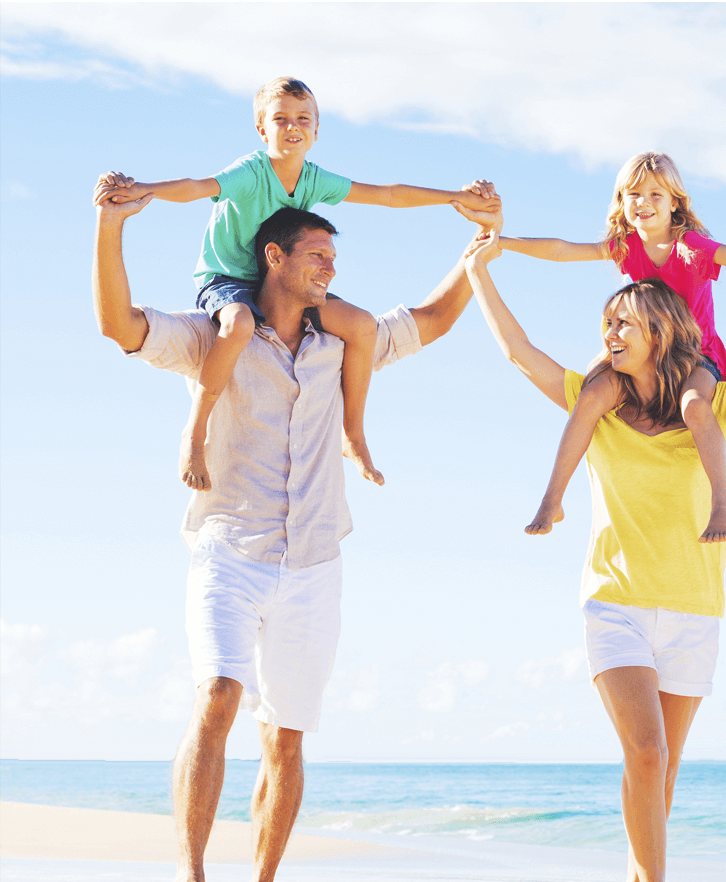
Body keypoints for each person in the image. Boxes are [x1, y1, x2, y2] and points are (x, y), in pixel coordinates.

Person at [92, 186, 493, 882]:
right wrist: (110, 229)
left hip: (313, 564)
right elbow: (119, 325)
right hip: (228, 550)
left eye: (333, 257)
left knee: (284, 739)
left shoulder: (342, 344)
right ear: (273, 257)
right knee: (217, 696)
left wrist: (479, 248)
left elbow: (432, 319)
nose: (329, 268)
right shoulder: (213, 335)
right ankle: (190, 874)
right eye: (316, 255)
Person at [462, 214, 726, 882]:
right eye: (605, 325)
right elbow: (521, 353)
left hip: (695, 611)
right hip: (616, 607)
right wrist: (478, 273)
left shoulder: (718, 408)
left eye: (620, 327)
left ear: (659, 336)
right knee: (643, 754)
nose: (606, 337)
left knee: (661, 770)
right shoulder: (599, 407)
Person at [95, 76, 499, 494]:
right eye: (281, 118)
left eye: (303, 118)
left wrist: (457, 197)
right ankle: (195, 436)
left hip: (279, 282)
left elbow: (388, 195)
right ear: (261, 129)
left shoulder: (312, 179)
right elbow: (197, 187)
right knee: (238, 326)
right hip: (228, 279)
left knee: (361, 324)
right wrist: (144, 190)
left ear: (317, 130)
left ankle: (353, 436)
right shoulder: (251, 172)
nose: (293, 127)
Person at [461, 152, 726, 545]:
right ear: (622, 202)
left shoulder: (691, 247)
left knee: (694, 406)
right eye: (634, 194)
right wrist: (499, 243)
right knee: (589, 398)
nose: (644, 202)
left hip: (696, 354)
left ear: (675, 202)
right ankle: (552, 499)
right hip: (644, 354)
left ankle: (721, 502)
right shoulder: (626, 247)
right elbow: (561, 249)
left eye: (656, 194)